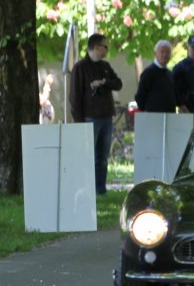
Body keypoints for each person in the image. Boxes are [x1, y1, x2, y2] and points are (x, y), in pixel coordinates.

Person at [69, 33, 124, 195]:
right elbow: (74, 96)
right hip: (89, 117)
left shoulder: (105, 66)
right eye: (105, 46)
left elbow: (118, 84)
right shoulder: (80, 67)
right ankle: (86, 189)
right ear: (96, 47)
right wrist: (78, 120)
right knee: (88, 155)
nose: (107, 49)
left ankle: (100, 188)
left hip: (106, 116)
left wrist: (104, 82)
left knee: (102, 156)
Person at [136, 40, 176, 113]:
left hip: (169, 116)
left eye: (167, 52)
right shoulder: (148, 73)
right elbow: (140, 97)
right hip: (152, 116)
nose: (164, 54)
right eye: (162, 51)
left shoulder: (170, 74)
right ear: (155, 53)